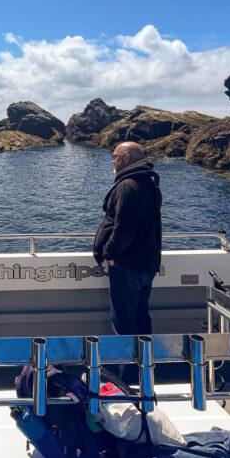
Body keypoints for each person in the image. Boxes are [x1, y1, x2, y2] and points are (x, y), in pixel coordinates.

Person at [93, 142, 163, 337]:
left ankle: (128, 367)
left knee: (123, 324)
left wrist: (109, 255)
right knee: (141, 318)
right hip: (145, 264)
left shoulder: (127, 186)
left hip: (127, 266)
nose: (113, 161)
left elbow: (123, 227)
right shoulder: (148, 183)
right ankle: (144, 365)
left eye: (114, 157)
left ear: (126, 159)